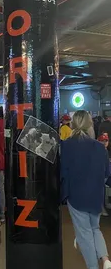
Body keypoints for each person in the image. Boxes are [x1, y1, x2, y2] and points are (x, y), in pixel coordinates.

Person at [61, 110, 111, 269]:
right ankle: (106, 259)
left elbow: (62, 172)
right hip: (96, 196)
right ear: (90, 124)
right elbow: (107, 173)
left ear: (73, 124)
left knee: (84, 235)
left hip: (76, 196)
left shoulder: (66, 145)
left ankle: (93, 267)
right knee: (94, 228)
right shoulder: (100, 147)